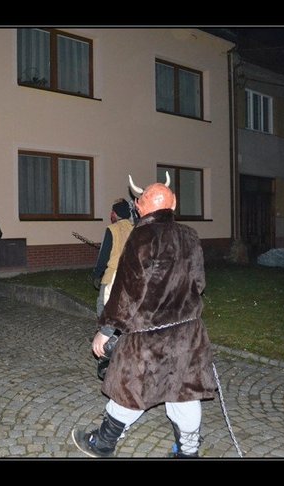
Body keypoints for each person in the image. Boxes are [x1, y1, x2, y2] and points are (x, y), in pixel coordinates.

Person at [72, 173, 217, 458]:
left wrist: (107, 329)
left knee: (131, 387)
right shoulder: (190, 235)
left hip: (148, 334)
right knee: (183, 391)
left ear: (141, 207)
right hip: (187, 332)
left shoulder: (141, 236)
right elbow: (199, 283)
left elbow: (128, 290)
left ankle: (103, 443)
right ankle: (188, 451)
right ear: (173, 206)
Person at [92, 198, 134, 318]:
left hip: (112, 276)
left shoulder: (112, 229)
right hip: (130, 276)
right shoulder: (134, 229)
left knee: (103, 304)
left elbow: (104, 255)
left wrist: (96, 274)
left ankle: (104, 328)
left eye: (113, 212)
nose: (111, 214)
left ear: (116, 213)